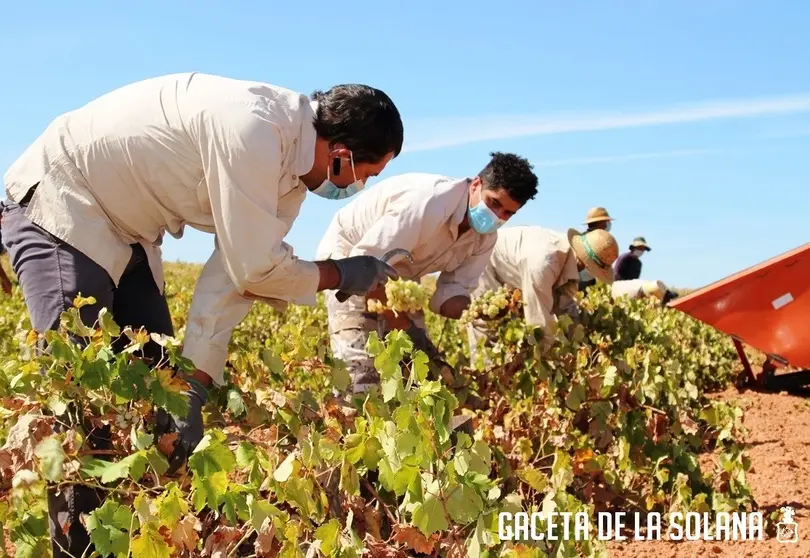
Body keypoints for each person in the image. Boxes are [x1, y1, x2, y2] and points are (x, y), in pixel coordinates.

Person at [2, 72, 404, 557]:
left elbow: (235, 279)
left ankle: (142, 534)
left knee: (159, 385)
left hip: (128, 234)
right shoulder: (256, 129)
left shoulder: (290, 180)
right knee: (83, 408)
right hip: (63, 205)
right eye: (367, 175)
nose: (361, 187)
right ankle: (79, 550)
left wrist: (192, 385)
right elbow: (256, 268)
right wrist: (338, 273)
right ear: (341, 154)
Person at [315, 152, 539, 394]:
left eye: (507, 213)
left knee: (416, 381)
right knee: (359, 379)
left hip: (399, 281)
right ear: (476, 185)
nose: (497, 217)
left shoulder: (484, 239)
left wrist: (481, 311)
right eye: (494, 203)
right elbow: (368, 264)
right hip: (352, 263)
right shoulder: (430, 202)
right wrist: (400, 323)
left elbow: (448, 297)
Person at [467, 227, 619, 365]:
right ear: (585, 264)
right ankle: (483, 382)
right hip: (487, 260)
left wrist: (580, 340)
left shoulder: (567, 259)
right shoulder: (544, 263)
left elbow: (565, 304)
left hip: (515, 271)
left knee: (514, 331)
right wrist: (551, 360)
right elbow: (538, 321)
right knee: (485, 326)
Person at [578, 206, 614, 290]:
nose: (609, 223)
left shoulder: (580, 237)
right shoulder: (598, 240)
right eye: (607, 221)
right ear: (600, 222)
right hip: (585, 284)